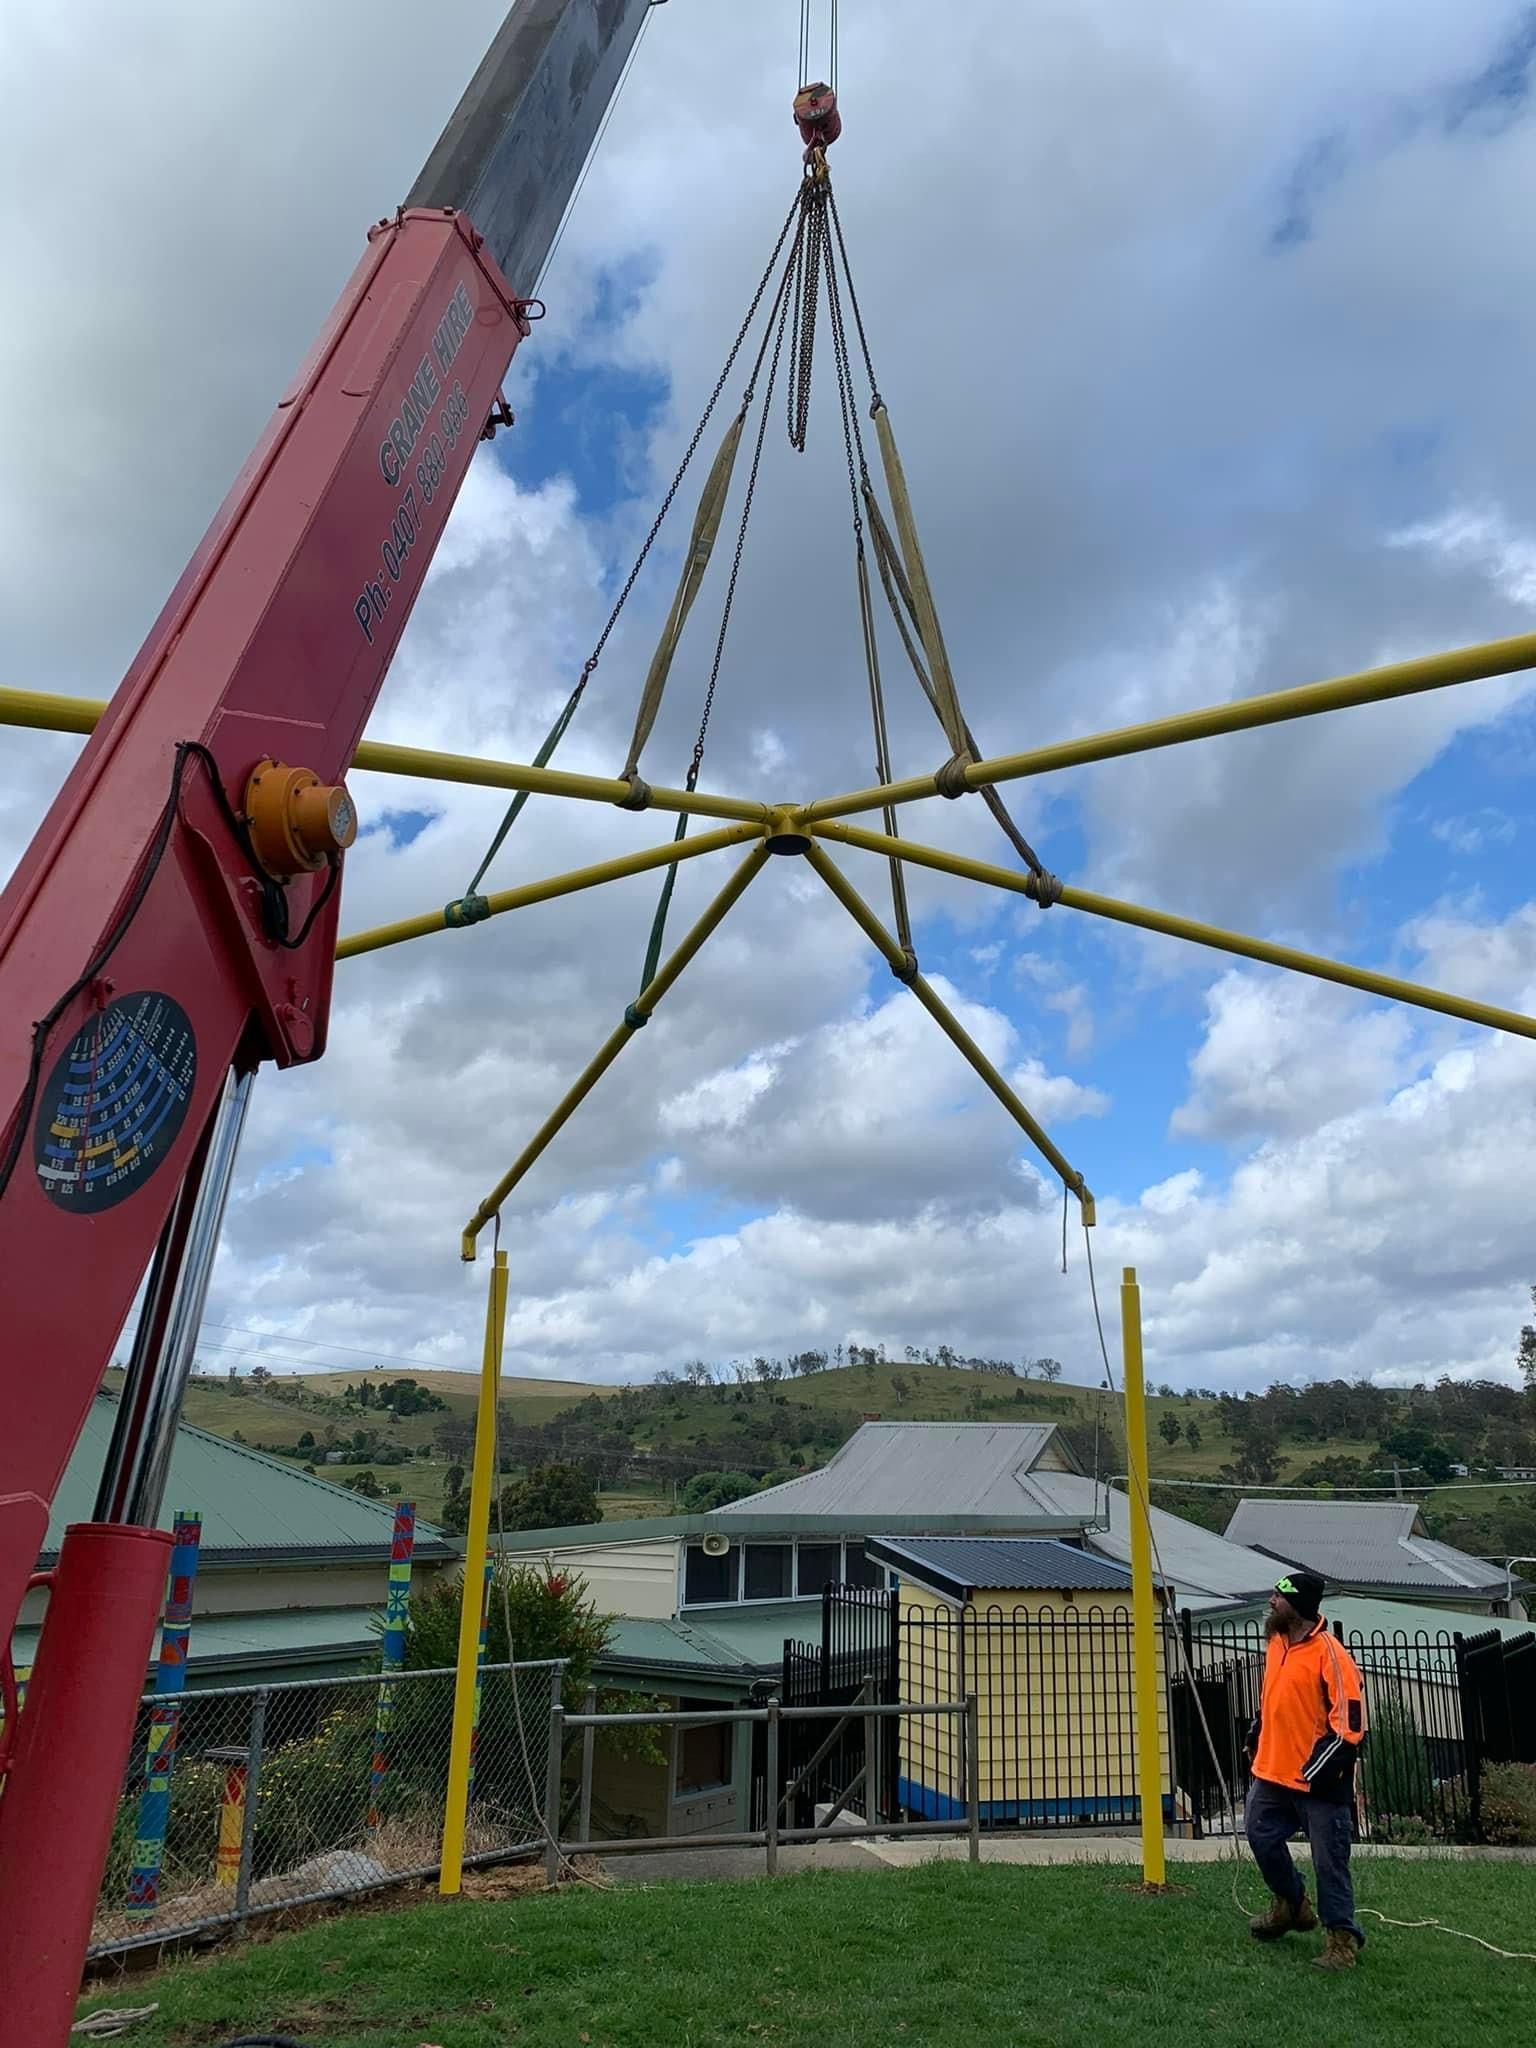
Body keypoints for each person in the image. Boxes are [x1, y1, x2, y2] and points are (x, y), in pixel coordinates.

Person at [1242, 1570, 1368, 1970]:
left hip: (1319, 1783)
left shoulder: (1332, 1655)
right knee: (1260, 1836)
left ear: (1300, 1606)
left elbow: (1349, 1725)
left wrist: (1317, 1768)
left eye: (1280, 1596)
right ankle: (1292, 1905)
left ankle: (1341, 1941)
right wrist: (1256, 1733)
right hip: (1271, 1773)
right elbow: (1274, 1699)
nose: (1272, 1602)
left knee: (1329, 1861)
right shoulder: (1277, 1643)